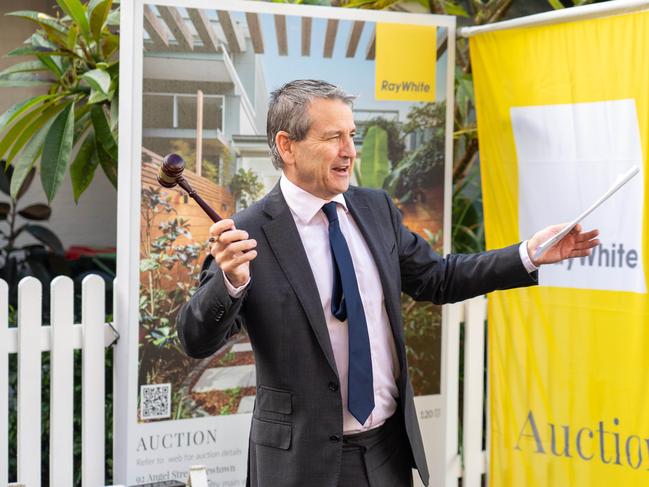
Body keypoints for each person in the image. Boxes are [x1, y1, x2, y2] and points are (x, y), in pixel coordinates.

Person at [177, 80, 599, 487]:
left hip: (386, 453)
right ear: (287, 146)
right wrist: (230, 282)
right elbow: (196, 340)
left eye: (352, 135)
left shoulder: (375, 208)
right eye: (333, 137)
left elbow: (439, 277)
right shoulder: (249, 232)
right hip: (300, 462)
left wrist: (528, 253)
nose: (349, 152)